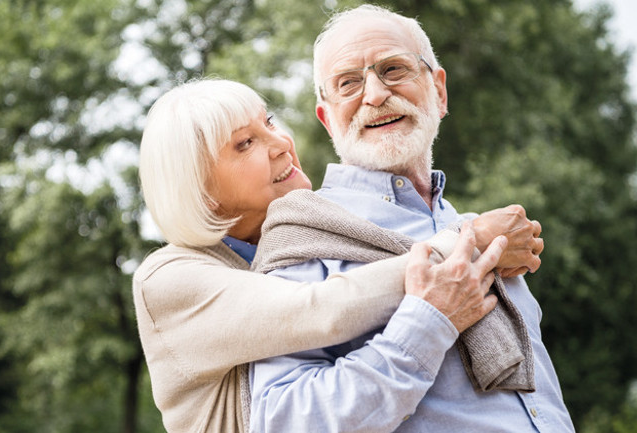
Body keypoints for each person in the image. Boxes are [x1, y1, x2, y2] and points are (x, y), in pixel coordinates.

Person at [133, 78, 544, 433]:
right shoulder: (168, 279)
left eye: (269, 122)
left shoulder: (311, 237)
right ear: (199, 189)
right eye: (245, 143)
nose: (281, 143)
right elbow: (318, 309)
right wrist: (467, 243)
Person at [248, 5, 575, 433]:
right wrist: (428, 323)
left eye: (393, 69)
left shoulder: (481, 230)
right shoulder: (305, 236)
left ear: (439, 91)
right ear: (327, 119)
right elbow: (282, 420)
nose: (374, 94)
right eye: (348, 83)